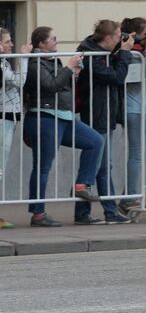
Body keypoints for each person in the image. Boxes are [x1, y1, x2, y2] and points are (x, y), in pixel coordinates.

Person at [22, 27, 105, 227]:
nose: (56, 43)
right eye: (54, 40)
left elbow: (63, 86)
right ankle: (38, 213)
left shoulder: (53, 60)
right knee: (43, 167)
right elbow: (50, 86)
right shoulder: (35, 64)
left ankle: (81, 185)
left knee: (95, 141)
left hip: (65, 117)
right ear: (42, 44)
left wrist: (73, 73)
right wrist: (69, 68)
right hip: (45, 118)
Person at [74, 20, 135, 224]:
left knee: (96, 165)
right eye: (118, 36)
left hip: (105, 112)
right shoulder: (90, 56)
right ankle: (108, 211)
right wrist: (125, 53)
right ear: (108, 38)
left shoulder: (102, 52)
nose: (120, 40)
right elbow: (117, 77)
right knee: (100, 165)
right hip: (96, 114)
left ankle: (86, 213)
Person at [119, 17, 146, 214]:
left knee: (139, 154)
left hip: (144, 108)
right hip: (134, 108)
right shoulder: (134, 54)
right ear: (137, 35)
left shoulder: (142, 51)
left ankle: (128, 195)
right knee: (136, 155)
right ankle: (130, 197)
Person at [0, 27, 28, 228]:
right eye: (7, 41)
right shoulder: (1, 65)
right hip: (3, 118)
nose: (11, 44)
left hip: (8, 117)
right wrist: (24, 58)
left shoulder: (4, 62)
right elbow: (19, 81)